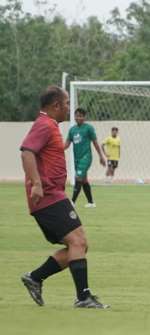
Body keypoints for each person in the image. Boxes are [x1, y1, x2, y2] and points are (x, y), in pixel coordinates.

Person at [19, 86, 108, 309]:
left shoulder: (50, 125)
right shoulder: (44, 125)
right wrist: (37, 184)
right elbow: (26, 152)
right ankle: (83, 297)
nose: (69, 108)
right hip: (47, 196)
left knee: (78, 246)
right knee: (78, 242)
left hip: (53, 195)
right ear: (55, 106)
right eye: (67, 104)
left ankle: (36, 277)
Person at [64, 108, 106, 208]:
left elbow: (95, 143)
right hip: (77, 159)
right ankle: (91, 203)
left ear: (84, 117)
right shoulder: (72, 130)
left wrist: (101, 156)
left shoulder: (88, 128)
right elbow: (66, 144)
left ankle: (72, 202)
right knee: (83, 180)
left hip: (86, 157)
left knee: (78, 177)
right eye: (77, 115)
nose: (78, 118)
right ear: (74, 117)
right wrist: (55, 149)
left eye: (81, 116)